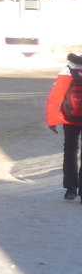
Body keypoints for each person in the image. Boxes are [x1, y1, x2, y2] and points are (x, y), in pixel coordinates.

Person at [44, 52, 82, 201]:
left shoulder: (67, 69)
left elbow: (55, 97)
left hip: (70, 119)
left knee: (70, 151)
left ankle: (71, 190)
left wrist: (52, 120)